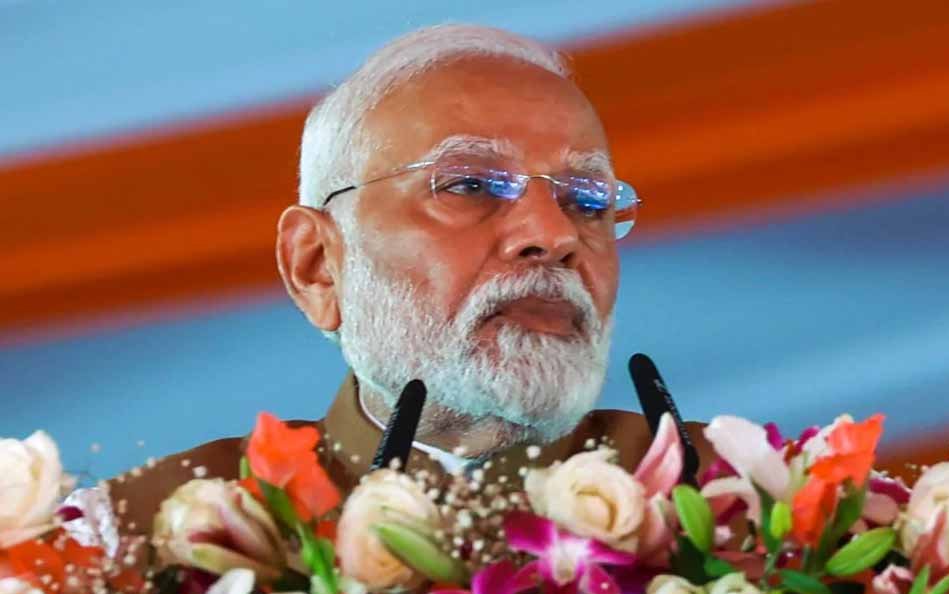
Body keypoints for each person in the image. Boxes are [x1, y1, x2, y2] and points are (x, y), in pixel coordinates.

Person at [110, 24, 703, 535]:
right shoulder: (158, 532)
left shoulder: (739, 500)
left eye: (588, 200)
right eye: (470, 185)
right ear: (316, 265)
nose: (555, 234)